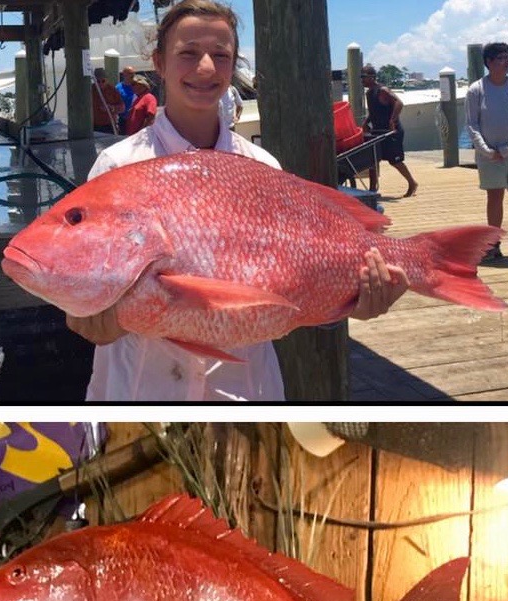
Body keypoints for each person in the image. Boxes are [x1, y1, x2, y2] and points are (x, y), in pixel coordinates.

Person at [66, 0, 409, 402]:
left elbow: (294, 289)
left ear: (233, 66)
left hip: (245, 396)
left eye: (221, 56)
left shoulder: (260, 164)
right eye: (188, 53)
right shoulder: (117, 164)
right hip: (140, 394)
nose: (206, 68)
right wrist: (109, 318)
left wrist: (352, 305)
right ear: (158, 62)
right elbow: (84, 318)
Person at [465, 41, 508, 262]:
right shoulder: (476, 89)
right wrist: (487, 151)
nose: (507, 62)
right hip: (489, 155)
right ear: (489, 62)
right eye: (501, 58)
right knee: (495, 197)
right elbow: (471, 124)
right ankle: (493, 244)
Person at [361, 64, 418, 197]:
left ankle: (412, 182)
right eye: (361, 77)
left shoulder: (383, 90)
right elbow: (374, 111)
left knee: (395, 161)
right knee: (372, 159)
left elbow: (399, 103)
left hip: (392, 130)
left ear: (372, 77)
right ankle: (372, 189)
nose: (362, 80)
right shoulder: (369, 93)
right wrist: (365, 122)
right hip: (378, 131)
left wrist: (392, 120)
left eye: (364, 77)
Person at [91, 67, 125, 134]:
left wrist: (111, 108)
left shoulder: (112, 90)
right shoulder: (91, 89)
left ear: (106, 80)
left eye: (103, 81)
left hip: (109, 125)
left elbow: (122, 107)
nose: (100, 83)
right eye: (98, 81)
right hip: (95, 126)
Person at [116, 66, 137, 131]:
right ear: (124, 74)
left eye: (133, 73)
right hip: (123, 119)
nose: (132, 75)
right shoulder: (118, 88)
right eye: (130, 73)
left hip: (135, 118)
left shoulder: (137, 86)